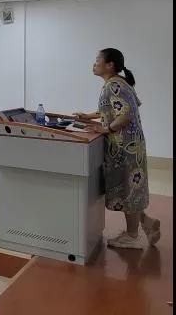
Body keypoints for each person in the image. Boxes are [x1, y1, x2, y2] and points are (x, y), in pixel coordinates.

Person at [75, 48, 160, 249]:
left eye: (98, 60)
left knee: (128, 190)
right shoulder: (120, 83)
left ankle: (132, 236)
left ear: (109, 65)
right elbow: (113, 109)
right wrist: (88, 116)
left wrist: (105, 129)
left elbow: (126, 115)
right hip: (132, 145)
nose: (94, 63)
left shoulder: (114, 85)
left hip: (125, 147)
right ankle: (146, 223)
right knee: (130, 189)